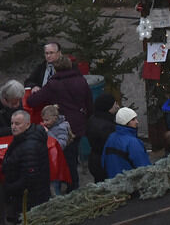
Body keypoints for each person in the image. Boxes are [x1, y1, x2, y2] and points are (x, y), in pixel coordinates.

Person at [26, 55, 90, 192]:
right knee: (72, 156)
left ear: (55, 68)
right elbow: (89, 102)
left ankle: (70, 186)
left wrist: (33, 90)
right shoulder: (81, 80)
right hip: (78, 123)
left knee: (66, 159)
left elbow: (33, 101)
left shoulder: (53, 84)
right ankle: (73, 185)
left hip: (60, 124)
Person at [3, 111, 50, 221]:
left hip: (28, 198)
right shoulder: (23, 137)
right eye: (12, 123)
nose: (13, 127)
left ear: (27, 124)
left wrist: (9, 188)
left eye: (17, 124)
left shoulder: (30, 146)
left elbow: (29, 178)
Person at [102, 107, 151, 179]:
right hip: (130, 183)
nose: (137, 122)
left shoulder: (111, 137)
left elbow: (103, 160)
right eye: (133, 119)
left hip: (112, 181)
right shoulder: (133, 142)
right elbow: (143, 167)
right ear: (125, 122)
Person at [87, 93, 118, 183]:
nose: (117, 106)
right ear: (108, 107)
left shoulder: (93, 119)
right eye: (115, 104)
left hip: (94, 160)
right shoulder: (107, 127)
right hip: (104, 163)